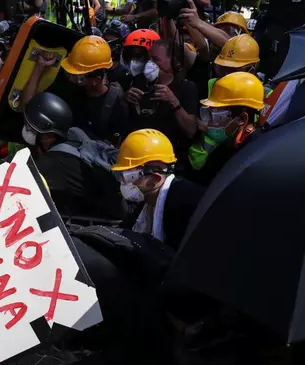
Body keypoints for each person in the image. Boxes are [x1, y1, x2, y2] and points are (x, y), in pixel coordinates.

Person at [9, 130, 266, 365]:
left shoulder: (181, 203)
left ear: (154, 174)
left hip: (136, 339)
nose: (121, 184)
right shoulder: (134, 211)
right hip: (152, 328)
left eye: (126, 176)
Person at [24, 92, 130, 222]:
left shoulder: (51, 165)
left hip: (106, 220)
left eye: (31, 128)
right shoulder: (76, 133)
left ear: (48, 136)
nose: (27, 130)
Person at [22, 36, 130, 145]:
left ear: (96, 80)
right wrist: (40, 67)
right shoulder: (66, 89)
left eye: (77, 75)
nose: (71, 77)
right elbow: (28, 107)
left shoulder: (116, 107)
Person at [112, 129, 204, 249]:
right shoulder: (148, 202)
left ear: (155, 179)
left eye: (130, 177)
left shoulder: (183, 208)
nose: (123, 183)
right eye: (121, 175)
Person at [185, 71, 263, 186]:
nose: (209, 124)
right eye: (209, 112)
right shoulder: (224, 148)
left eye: (217, 117)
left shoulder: (253, 158)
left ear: (242, 119)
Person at [127, 40, 199, 163]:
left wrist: (174, 102)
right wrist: (126, 97)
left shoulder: (186, 88)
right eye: (149, 59)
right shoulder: (139, 82)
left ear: (173, 62)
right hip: (140, 155)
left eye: (156, 59)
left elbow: (191, 131)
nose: (150, 64)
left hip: (170, 159)